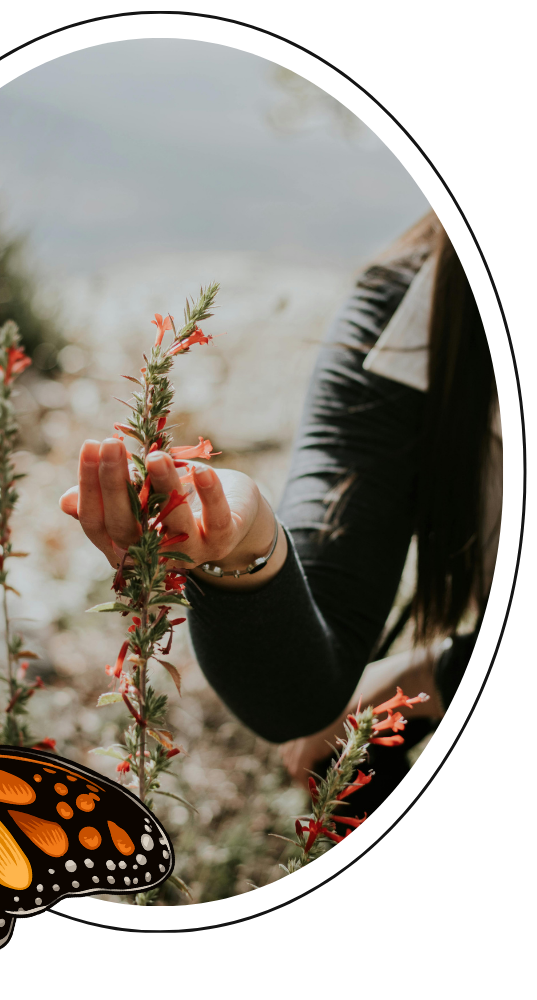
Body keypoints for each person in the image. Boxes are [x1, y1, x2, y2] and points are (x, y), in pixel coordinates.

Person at [58, 210, 501, 825]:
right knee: (348, 771)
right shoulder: (409, 308)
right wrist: (244, 547)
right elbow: (298, 698)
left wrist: (442, 669)